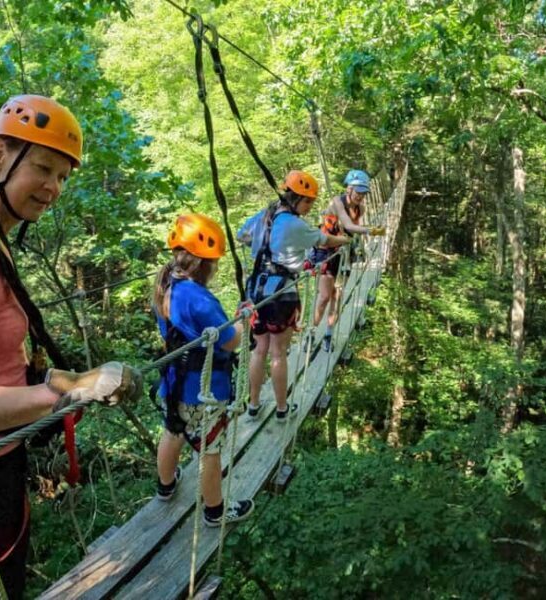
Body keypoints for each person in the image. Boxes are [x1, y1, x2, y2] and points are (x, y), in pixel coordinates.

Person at [0, 94, 139, 599]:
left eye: (63, 176)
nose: (54, 187)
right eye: (43, 167)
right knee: (0, 590)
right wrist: (70, 391)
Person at [153, 213, 254, 527]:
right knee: (210, 448)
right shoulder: (198, 299)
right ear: (202, 263)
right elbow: (229, 341)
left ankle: (166, 486)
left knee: (173, 430)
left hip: (174, 383)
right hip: (203, 391)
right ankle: (215, 511)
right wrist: (244, 319)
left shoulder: (165, 284)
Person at [238, 171, 349, 420]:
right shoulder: (296, 224)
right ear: (298, 198)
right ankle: (281, 409)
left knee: (259, 350)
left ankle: (253, 406)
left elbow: (242, 235)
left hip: (256, 291)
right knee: (278, 353)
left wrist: (261, 246)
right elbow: (324, 241)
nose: (310, 207)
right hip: (282, 293)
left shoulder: (264, 215)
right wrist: (345, 240)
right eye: (309, 202)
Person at [309, 169, 385, 352]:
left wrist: (360, 244)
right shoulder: (337, 202)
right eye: (358, 191)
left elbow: (352, 231)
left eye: (364, 192)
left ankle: (328, 333)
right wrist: (371, 231)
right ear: (349, 189)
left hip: (344, 255)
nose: (361, 196)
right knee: (324, 297)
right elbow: (349, 225)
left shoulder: (361, 208)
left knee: (337, 296)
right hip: (326, 254)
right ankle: (311, 333)